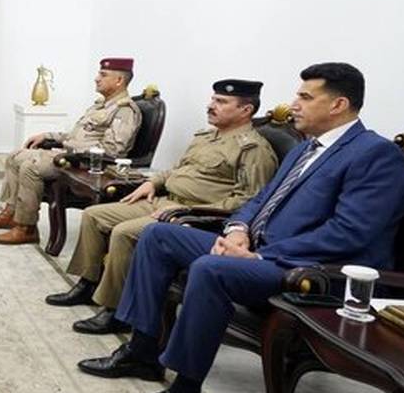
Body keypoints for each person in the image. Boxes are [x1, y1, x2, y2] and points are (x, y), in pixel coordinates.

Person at [78, 63, 404, 393]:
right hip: (257, 250)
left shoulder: (375, 155)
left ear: (338, 105)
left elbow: (350, 234)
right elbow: (260, 200)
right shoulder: (307, 149)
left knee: (210, 269)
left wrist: (262, 255)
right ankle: (142, 352)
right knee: (158, 236)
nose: (293, 104)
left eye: (305, 97)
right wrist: (238, 230)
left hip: (310, 270)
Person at [46, 79, 278, 334]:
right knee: (93, 215)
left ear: (246, 110)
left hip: (192, 214)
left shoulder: (253, 149)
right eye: (213, 99)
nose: (211, 105)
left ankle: (117, 310)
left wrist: (187, 212)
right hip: (164, 200)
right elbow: (177, 170)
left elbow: (248, 200)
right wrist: (153, 183)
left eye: (221, 102)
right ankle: (88, 284)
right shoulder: (205, 136)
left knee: (123, 232)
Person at [0, 58, 142, 245]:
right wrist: (48, 135)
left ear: (119, 80)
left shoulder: (125, 111)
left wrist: (72, 150)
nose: (97, 78)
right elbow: (75, 135)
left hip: (86, 163)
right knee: (15, 156)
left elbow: (112, 150)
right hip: (70, 155)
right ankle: (11, 213)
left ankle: (26, 228)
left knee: (31, 167)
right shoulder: (100, 105)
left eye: (103, 75)